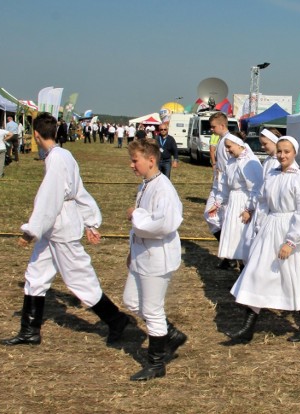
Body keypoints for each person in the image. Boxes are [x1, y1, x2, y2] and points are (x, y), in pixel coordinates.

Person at [0, 112, 131, 348]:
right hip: (55, 227)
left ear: (36, 135)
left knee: (79, 278)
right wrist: (91, 220)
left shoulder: (57, 159)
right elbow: (79, 191)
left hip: (60, 226)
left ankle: (116, 319)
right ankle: (30, 330)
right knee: (36, 275)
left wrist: (31, 230)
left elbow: (50, 199)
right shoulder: (62, 155)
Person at [226, 136, 300, 344]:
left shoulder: (299, 179)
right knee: (256, 272)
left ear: (294, 153)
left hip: (291, 231)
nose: (282, 155)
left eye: (286, 151)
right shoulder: (271, 174)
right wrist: (259, 227)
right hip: (270, 229)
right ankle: (247, 327)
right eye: (279, 151)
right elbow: (262, 203)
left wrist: (291, 241)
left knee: (296, 276)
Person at [124, 138, 186, 381]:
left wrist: (135, 214)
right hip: (142, 254)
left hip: (156, 258)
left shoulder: (164, 190)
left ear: (151, 160)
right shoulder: (146, 184)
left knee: (152, 309)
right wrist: (132, 250)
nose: (132, 165)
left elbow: (164, 224)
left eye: (134, 160)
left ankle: (156, 363)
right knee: (131, 301)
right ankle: (169, 334)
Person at [208, 133, 263, 270]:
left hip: (243, 203)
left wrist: (249, 209)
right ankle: (240, 273)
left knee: (243, 239)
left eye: (229, 146)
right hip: (233, 203)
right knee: (234, 239)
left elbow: (255, 188)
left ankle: (246, 273)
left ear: (239, 145)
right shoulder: (231, 162)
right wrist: (217, 204)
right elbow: (225, 186)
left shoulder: (249, 162)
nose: (227, 150)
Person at [204, 112, 233, 269]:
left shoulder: (227, 142)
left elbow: (229, 169)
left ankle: (230, 254)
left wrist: (223, 193)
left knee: (220, 219)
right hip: (218, 186)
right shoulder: (221, 141)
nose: (212, 130)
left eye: (214, 126)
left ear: (222, 125)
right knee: (212, 217)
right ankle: (228, 252)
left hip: (223, 189)